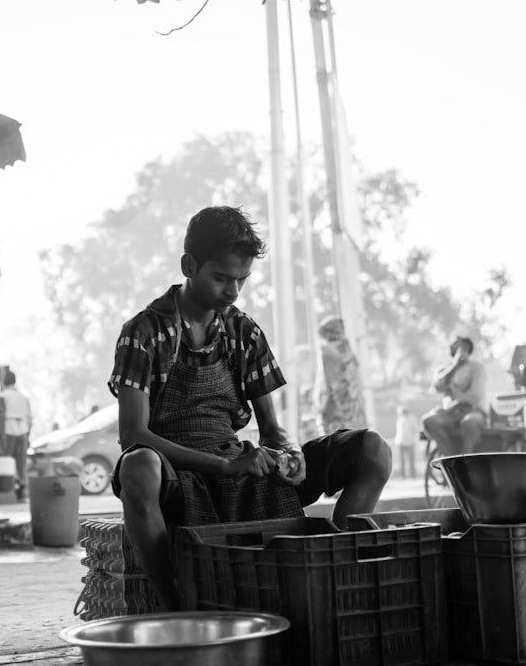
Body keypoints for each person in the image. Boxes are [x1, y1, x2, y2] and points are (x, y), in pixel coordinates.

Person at [108, 205, 393, 611]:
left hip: (238, 466)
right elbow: (132, 435)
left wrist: (290, 454)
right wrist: (223, 467)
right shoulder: (143, 332)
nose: (233, 292)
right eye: (221, 278)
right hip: (176, 474)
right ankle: (175, 608)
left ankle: (332, 576)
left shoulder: (244, 331)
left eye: (241, 280)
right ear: (189, 265)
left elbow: (272, 432)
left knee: (374, 451)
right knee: (137, 465)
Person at [422, 336, 487, 457]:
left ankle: (466, 458)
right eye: (454, 346)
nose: (454, 348)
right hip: (450, 415)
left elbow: (476, 394)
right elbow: (438, 386)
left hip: (473, 412)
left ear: (467, 349)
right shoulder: (443, 369)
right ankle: (451, 459)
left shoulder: (476, 368)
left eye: (459, 346)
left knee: (470, 422)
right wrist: (455, 366)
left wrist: (456, 405)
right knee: (429, 420)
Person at [313, 315, 367, 434]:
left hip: (337, 407)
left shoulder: (328, 350)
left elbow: (331, 383)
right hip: (349, 407)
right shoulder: (343, 350)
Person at [0, 369, 33, 501]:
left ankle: (10, 491)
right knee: (21, 464)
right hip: (22, 431)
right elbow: (30, 419)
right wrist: (28, 436)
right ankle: (23, 492)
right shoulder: (23, 397)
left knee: (8, 462)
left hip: (7, 431)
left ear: (4, 381)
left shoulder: (1, 396)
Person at [393, 405, 420, 479]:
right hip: (401, 442)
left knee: (411, 460)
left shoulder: (412, 419)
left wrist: (415, 440)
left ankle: (413, 475)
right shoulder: (400, 419)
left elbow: (416, 430)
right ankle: (402, 475)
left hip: (410, 442)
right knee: (402, 460)